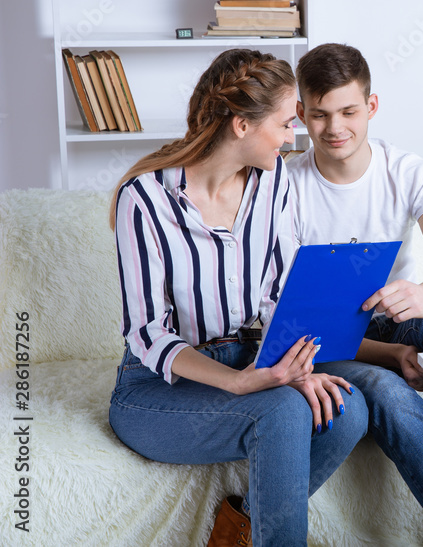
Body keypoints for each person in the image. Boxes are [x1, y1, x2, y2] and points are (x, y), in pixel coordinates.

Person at [108, 49, 367, 546]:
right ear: (242, 125)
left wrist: (295, 369)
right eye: (285, 123)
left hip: (250, 357)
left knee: (346, 408)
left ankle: (237, 533)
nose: (295, 136)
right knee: (284, 413)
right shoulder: (145, 198)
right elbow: (146, 333)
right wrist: (238, 384)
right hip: (157, 388)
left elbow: (277, 297)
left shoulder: (274, 184)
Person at [286, 43, 423, 544]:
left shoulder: (406, 170)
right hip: (325, 339)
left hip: (397, 316)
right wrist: (392, 356)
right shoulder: (285, 189)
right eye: (320, 114)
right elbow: (293, 323)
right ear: (301, 114)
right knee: (393, 399)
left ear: (371, 107)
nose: (335, 128)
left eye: (349, 111)